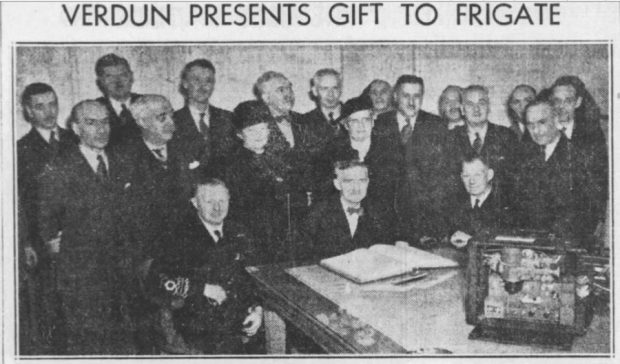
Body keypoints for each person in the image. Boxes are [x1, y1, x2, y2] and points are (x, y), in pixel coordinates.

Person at [37, 100, 134, 354]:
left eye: (105, 122)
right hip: (82, 282)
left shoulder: (123, 162)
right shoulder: (58, 169)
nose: (101, 129)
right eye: (91, 123)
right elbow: (47, 227)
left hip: (123, 277)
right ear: (76, 129)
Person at [147, 178, 262, 354]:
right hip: (196, 330)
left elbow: (253, 276)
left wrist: (257, 309)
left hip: (239, 322)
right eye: (209, 201)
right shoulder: (177, 237)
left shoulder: (240, 232)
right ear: (195, 203)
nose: (217, 208)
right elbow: (157, 280)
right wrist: (203, 288)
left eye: (222, 201)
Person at [17, 82, 78, 354]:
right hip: (43, 242)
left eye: (52, 104)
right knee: (50, 306)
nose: (48, 112)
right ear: (28, 112)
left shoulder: (76, 140)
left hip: (77, 236)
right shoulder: (20, 149)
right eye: (39, 106)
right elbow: (20, 203)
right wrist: (28, 243)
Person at [374, 75, 449, 245]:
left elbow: (442, 181)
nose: (411, 102)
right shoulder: (380, 124)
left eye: (417, 96)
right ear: (395, 97)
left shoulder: (437, 126)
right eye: (405, 95)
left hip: (423, 226)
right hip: (386, 225)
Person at [515, 100, 600, 249]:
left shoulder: (579, 156)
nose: (536, 130)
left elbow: (588, 212)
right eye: (530, 125)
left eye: (542, 122)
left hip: (567, 245)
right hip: (530, 243)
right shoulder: (524, 155)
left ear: (556, 120)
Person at [224, 100, 301, 264]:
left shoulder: (279, 161)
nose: (259, 135)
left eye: (263, 128)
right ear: (239, 134)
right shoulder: (231, 166)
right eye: (252, 130)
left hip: (282, 242)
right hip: (250, 244)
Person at [311, 96, 403, 219]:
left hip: (382, 219)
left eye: (365, 120)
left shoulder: (389, 151)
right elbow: (324, 194)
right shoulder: (332, 153)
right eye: (354, 121)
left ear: (373, 121)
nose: (361, 126)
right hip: (342, 218)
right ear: (346, 125)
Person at [297, 160, 392, 262]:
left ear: (368, 183)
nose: (356, 188)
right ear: (337, 184)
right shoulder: (317, 213)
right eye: (349, 181)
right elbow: (301, 258)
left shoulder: (379, 212)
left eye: (362, 181)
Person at [445, 85, 520, 202]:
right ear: (462, 109)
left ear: (488, 107)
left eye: (481, 103)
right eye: (470, 104)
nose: (476, 109)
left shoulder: (507, 136)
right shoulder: (450, 138)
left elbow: (514, 181)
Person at [549, 75, 608, 223]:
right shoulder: (539, 131)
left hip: (582, 218)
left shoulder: (592, 135)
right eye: (557, 101)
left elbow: (599, 181)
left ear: (578, 102)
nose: (561, 107)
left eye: (568, 101)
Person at [173, 59, 236, 175]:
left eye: (208, 81)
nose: (202, 87)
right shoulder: (172, 121)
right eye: (196, 80)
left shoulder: (229, 119)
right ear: (185, 83)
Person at [448, 155, 512, 249]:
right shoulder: (452, 202)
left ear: (489, 175)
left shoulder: (506, 204)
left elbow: (509, 241)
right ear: (461, 177)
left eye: (477, 175)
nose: (472, 181)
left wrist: (473, 241)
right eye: (466, 176)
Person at [95, 53, 142, 146]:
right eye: (109, 76)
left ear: (131, 77)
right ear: (100, 82)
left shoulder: (148, 104)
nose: (117, 81)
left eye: (123, 75)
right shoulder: (94, 109)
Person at [303, 68, 344, 139]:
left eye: (335, 88)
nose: (330, 94)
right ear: (315, 91)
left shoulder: (354, 115)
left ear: (340, 90)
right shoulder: (305, 122)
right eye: (325, 88)